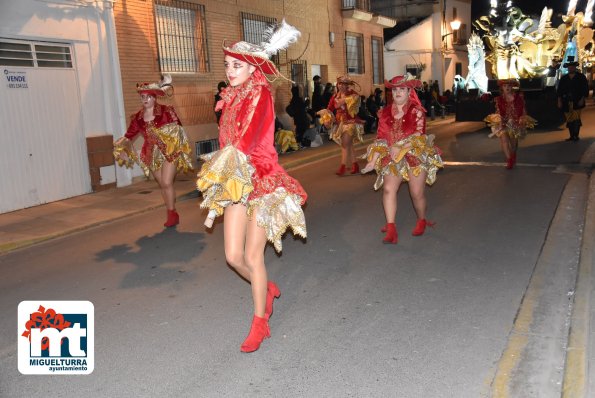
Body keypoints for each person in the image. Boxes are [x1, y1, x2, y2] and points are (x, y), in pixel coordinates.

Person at [195, 20, 307, 353]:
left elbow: (249, 139)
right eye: (228, 65)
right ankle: (267, 288)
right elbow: (228, 138)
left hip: (260, 180)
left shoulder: (260, 94)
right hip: (236, 182)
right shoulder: (229, 97)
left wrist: (223, 165)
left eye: (236, 65)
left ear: (251, 68)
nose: (230, 71)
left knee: (252, 256)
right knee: (232, 256)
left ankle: (260, 323)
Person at [361, 74, 443, 244]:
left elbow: (419, 136)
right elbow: (381, 138)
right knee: (388, 190)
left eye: (402, 89)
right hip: (392, 157)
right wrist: (373, 160)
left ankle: (421, 219)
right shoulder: (384, 112)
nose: (397, 92)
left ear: (408, 91)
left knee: (416, 193)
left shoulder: (417, 111)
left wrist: (399, 147)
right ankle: (391, 228)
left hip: (414, 154)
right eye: (395, 89)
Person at [113, 75, 193, 227]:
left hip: (169, 151)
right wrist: (122, 148)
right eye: (142, 97)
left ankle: (171, 214)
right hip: (151, 154)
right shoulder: (137, 117)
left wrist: (177, 145)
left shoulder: (166, 111)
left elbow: (178, 129)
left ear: (154, 98)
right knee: (162, 185)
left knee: (166, 181)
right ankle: (172, 211)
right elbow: (129, 136)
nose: (144, 100)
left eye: (148, 97)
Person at [484, 79, 536, 169]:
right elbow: (498, 112)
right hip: (504, 122)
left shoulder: (518, 98)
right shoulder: (499, 99)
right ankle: (509, 160)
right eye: (504, 86)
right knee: (504, 139)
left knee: (513, 143)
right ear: (502, 88)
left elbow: (523, 111)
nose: (507, 88)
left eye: (508, 86)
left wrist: (521, 118)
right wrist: (500, 121)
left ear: (512, 87)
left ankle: (513, 155)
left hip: (515, 122)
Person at [318, 75, 364, 175]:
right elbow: (329, 109)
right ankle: (355, 165)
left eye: (344, 84)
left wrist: (345, 100)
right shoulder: (335, 96)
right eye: (340, 84)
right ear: (337, 84)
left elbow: (356, 100)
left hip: (351, 123)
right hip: (340, 123)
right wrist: (326, 119)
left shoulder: (353, 94)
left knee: (344, 144)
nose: (341, 86)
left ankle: (342, 167)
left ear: (347, 85)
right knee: (349, 145)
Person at [557, 56, 589, 141]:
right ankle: (571, 136)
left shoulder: (581, 77)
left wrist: (582, 99)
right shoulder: (564, 78)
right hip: (566, 101)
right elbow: (559, 90)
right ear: (567, 68)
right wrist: (559, 100)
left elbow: (585, 89)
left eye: (572, 67)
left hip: (577, 101)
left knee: (576, 119)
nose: (571, 68)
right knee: (569, 119)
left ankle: (576, 135)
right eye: (569, 67)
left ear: (575, 67)